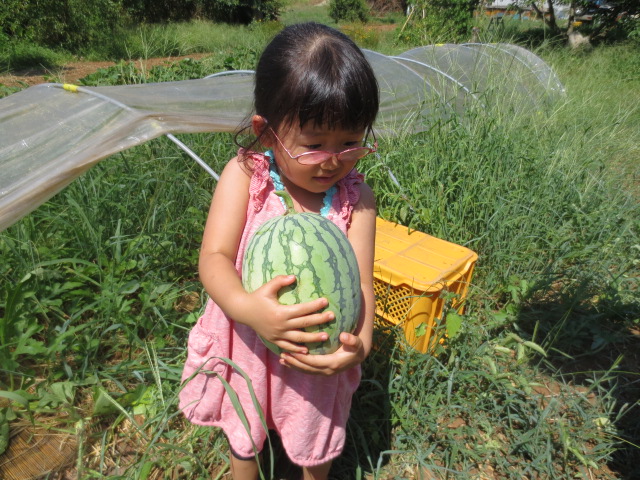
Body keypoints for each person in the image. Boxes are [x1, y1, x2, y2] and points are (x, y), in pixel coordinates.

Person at [179, 22, 379, 480]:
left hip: (316, 360)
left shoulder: (357, 199)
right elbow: (213, 258)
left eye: (350, 142)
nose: (333, 160)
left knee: (315, 439)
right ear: (266, 133)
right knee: (245, 435)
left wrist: (361, 345)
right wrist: (249, 308)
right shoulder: (246, 177)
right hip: (248, 343)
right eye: (314, 145)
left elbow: (363, 284)